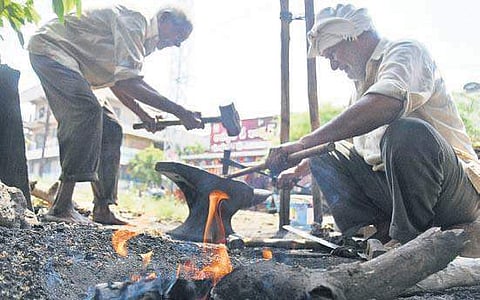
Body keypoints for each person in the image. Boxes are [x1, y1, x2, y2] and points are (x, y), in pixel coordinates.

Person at [266, 4, 480, 253]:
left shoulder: (406, 51)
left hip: (452, 192)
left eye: (332, 54)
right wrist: (301, 165)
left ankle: (407, 243)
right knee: (321, 152)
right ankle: (370, 233)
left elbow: (386, 103)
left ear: (352, 36)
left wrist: (304, 142)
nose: (334, 66)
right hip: (397, 193)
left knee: (407, 132)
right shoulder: (361, 85)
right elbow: (346, 142)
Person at [28, 5, 204, 225]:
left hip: (76, 65)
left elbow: (116, 79)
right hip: (50, 49)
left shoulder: (142, 43)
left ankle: (103, 208)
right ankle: (61, 207)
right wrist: (180, 112)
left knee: (111, 127)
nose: (177, 43)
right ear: (164, 18)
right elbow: (128, 81)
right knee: (87, 111)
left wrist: (142, 113)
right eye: (178, 35)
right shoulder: (136, 22)